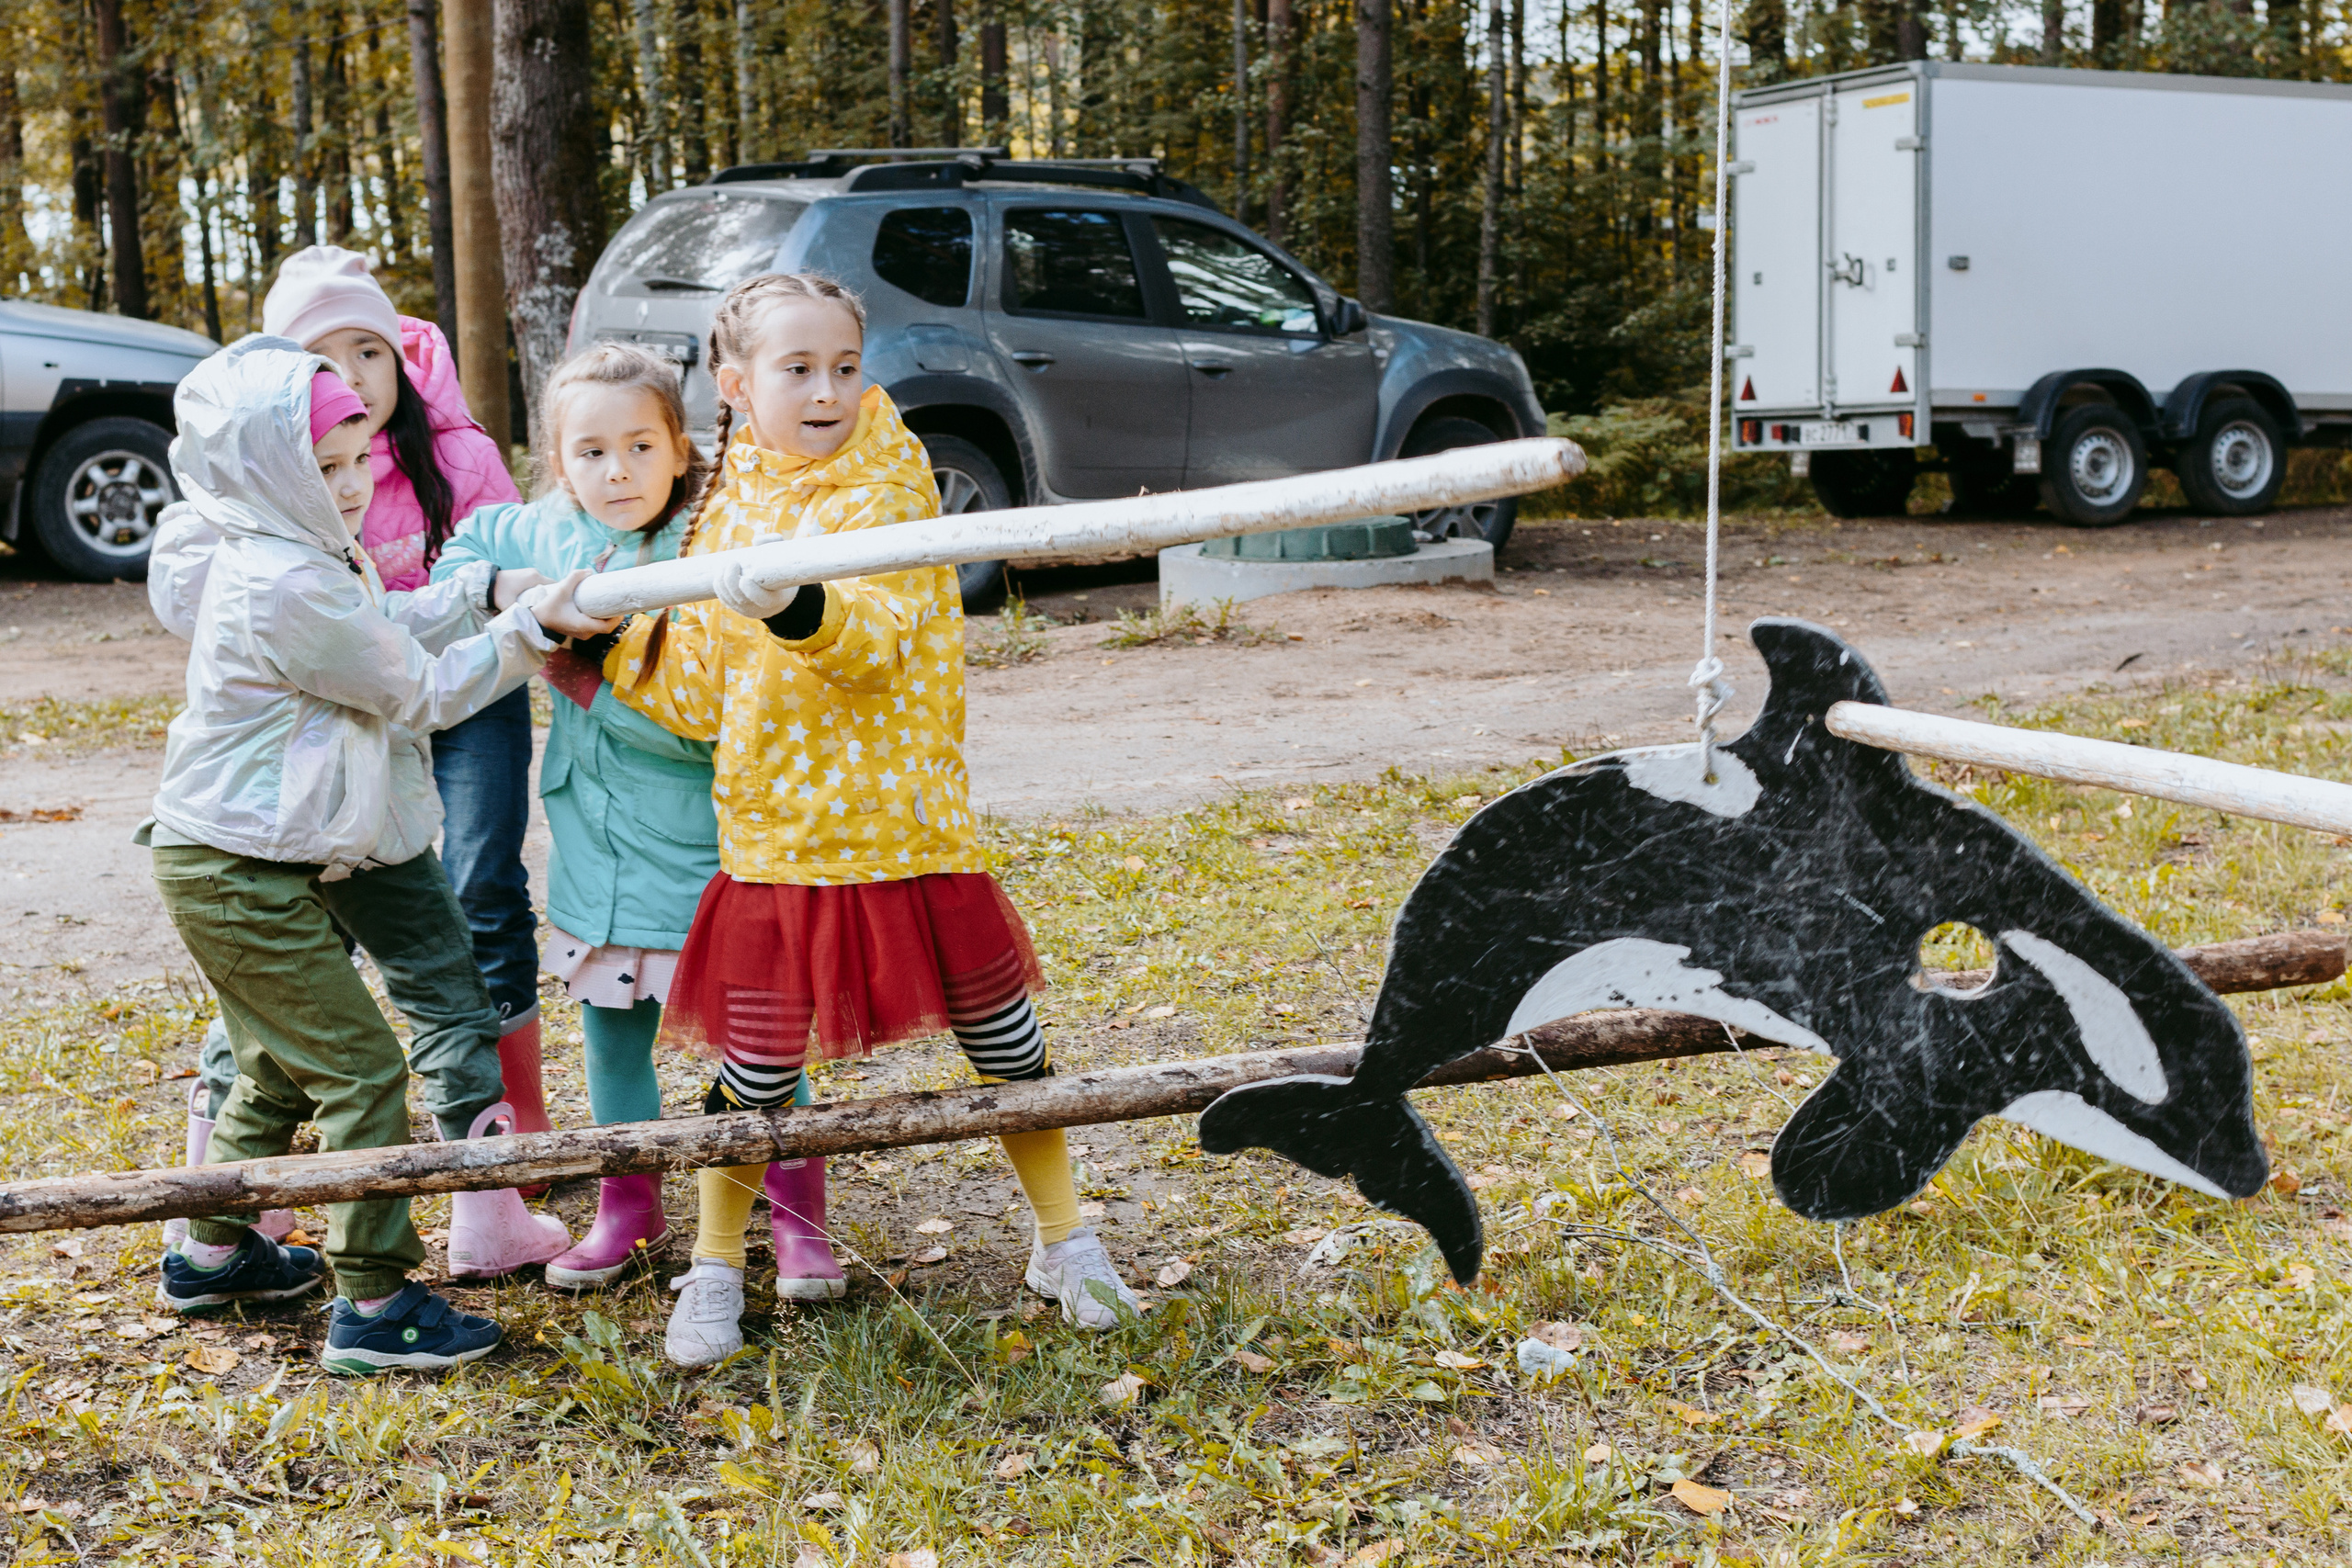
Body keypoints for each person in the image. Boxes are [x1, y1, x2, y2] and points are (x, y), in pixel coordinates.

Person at [600, 273, 1140, 1367]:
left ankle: (1064, 1243)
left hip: (908, 824)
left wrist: (789, 602)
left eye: (844, 366)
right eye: (797, 370)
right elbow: (699, 692)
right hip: (776, 840)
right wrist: (588, 640)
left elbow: (877, 642)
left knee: (1007, 1044)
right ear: (736, 381)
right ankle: (714, 1269)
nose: (827, 391)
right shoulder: (722, 503)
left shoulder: (890, 482)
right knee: (752, 1072)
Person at [141, 338, 609, 1371]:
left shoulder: (301, 550)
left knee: (271, 1067)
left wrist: (478, 589)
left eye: (361, 462)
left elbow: (389, 626)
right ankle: (376, 1304)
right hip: (232, 869)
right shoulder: (282, 582)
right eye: (328, 468)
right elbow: (418, 693)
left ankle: (212, 1254)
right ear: (268, 471)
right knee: (359, 1071)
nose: (353, 488)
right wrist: (529, 625)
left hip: (259, 854)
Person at [430, 341, 782, 1291]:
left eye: (637, 445)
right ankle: (631, 1206)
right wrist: (506, 595)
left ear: (678, 446)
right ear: (557, 458)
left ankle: (787, 1211)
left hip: (711, 856)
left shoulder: (710, 538)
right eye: (589, 452)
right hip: (596, 862)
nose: (615, 470)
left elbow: (703, 718)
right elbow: (465, 547)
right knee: (611, 1042)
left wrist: (574, 670)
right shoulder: (547, 531)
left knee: (754, 1048)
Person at [259, 247, 550, 1147]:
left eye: (370, 350)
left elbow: (509, 567)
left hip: (472, 699)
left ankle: (507, 1119)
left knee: (482, 886)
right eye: (326, 357)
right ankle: (299, 1104)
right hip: (353, 710)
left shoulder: (459, 456)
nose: (353, 376)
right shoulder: (283, 475)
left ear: (401, 353)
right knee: (333, 896)